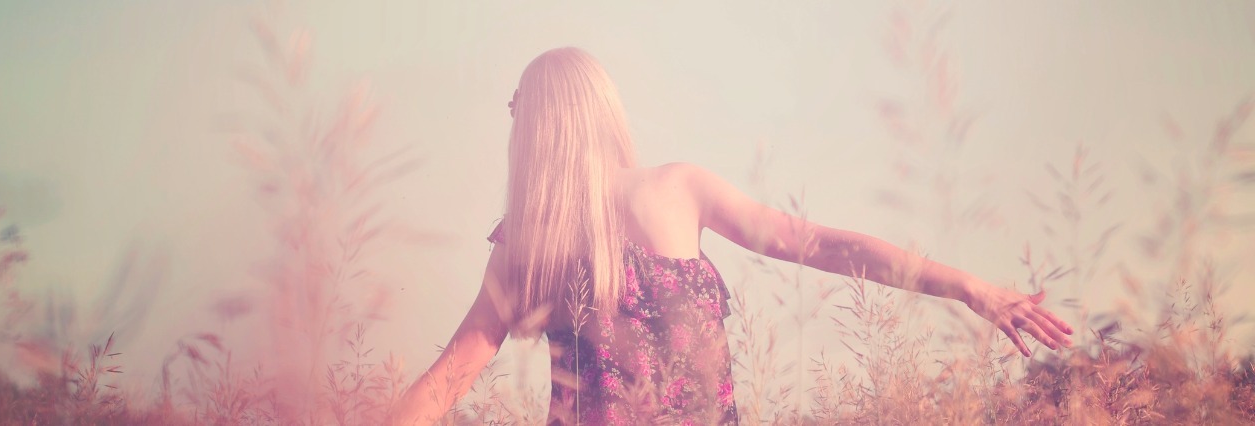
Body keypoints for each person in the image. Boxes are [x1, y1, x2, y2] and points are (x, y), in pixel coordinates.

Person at [394, 47, 1073, 425]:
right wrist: (969, 286)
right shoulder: (676, 189)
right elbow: (827, 246)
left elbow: (444, 383)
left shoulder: (532, 235)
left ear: (537, 125)